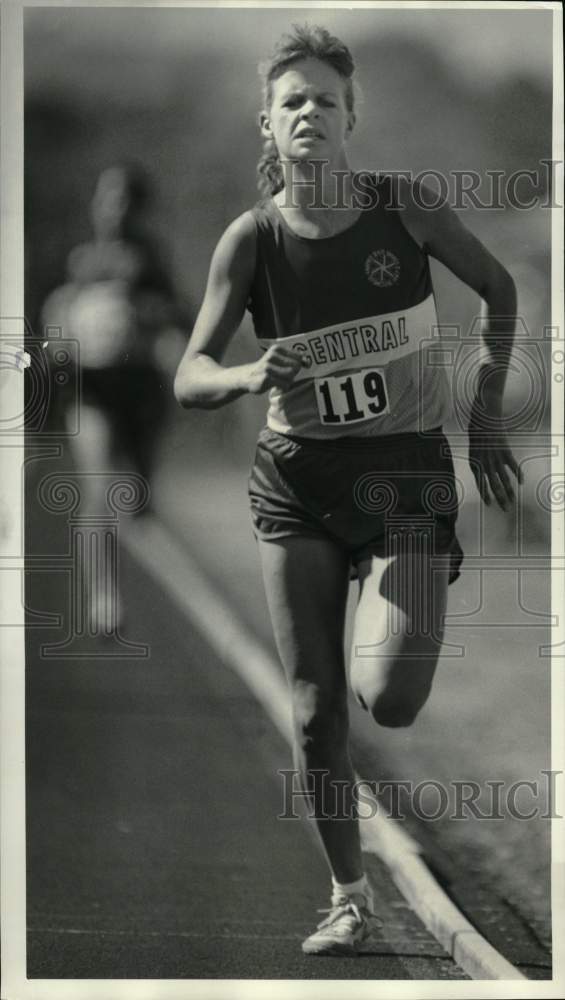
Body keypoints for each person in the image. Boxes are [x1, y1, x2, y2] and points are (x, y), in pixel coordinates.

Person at [174, 25, 522, 956]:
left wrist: (483, 415)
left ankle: (389, 619)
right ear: (268, 123)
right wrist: (245, 377)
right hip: (296, 480)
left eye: (325, 100)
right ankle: (349, 895)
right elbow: (189, 372)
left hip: (404, 475)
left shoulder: (404, 210)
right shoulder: (249, 241)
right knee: (313, 706)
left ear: (350, 119)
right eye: (292, 101)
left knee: (390, 698)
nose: (309, 114)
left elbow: (497, 291)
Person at [42, 162, 187, 628]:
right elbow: (53, 313)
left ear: (138, 209)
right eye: (107, 197)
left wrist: (146, 321)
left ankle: (142, 517)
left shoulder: (151, 259)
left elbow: (178, 317)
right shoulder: (76, 255)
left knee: (140, 502)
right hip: (92, 387)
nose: (113, 208)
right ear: (95, 202)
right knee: (99, 489)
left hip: (138, 387)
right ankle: (104, 597)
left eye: (124, 199)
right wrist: (60, 337)